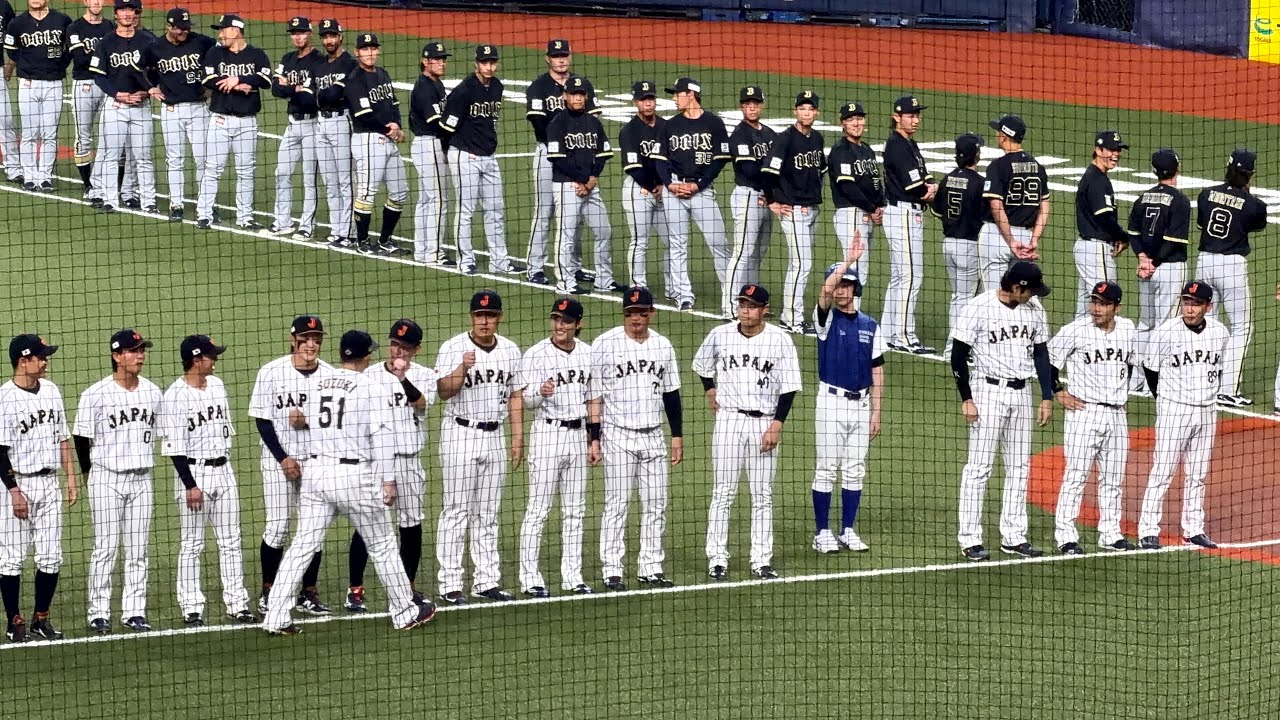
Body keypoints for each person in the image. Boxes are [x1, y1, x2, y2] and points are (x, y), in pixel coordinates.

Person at [262, 330, 436, 636]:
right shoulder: (371, 387)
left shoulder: (316, 383)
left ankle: (275, 616)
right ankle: (405, 611)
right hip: (354, 476)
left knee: (302, 545)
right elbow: (382, 438)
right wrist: (388, 481)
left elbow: (305, 420)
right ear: (365, 355)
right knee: (382, 544)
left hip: (316, 473)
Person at [949, 261, 1055, 561]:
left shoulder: (1034, 309)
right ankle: (970, 538)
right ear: (1017, 287)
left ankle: (1014, 536)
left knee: (1019, 468)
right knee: (979, 468)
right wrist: (966, 398)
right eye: (1031, 290)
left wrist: (1046, 396)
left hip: (1022, 394)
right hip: (988, 392)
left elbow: (1041, 352)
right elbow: (958, 356)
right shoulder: (978, 307)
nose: (1034, 295)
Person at [694, 284, 801, 579]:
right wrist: (710, 389)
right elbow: (702, 365)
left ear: (764, 309)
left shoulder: (780, 340)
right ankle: (717, 558)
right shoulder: (721, 334)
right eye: (742, 303)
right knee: (723, 492)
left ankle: (761, 559)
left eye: (752, 305)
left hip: (763, 422)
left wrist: (777, 425)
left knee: (762, 494)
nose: (745, 309)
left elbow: (790, 387)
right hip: (728, 421)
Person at [434, 290, 524, 604]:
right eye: (479, 315)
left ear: (499, 317)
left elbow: (515, 395)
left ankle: (486, 581)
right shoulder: (453, 347)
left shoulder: (511, 350)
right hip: (460, 431)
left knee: (488, 512)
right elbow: (443, 392)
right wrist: (462, 368)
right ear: (472, 317)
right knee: (457, 510)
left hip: (495, 435)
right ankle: (450, 584)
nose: (484, 321)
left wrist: (517, 437)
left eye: (490, 315)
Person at [590, 287, 683, 589]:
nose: (635, 318)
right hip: (617, 435)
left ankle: (651, 567)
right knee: (617, 503)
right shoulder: (605, 344)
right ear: (624, 314)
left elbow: (672, 394)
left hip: (654, 435)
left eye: (641, 312)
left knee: (657, 503)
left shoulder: (663, 346)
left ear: (651, 314)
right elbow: (594, 395)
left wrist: (677, 435)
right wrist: (594, 436)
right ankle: (612, 569)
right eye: (630, 313)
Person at [160, 335, 255, 626]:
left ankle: (237, 604)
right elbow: (175, 448)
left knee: (231, 542)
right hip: (194, 472)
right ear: (196, 359)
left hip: (224, 471)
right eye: (211, 356)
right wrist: (190, 485)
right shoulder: (174, 396)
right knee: (192, 544)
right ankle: (191, 606)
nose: (216, 360)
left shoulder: (218, 386)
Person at [346, 319, 437, 611]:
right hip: (375, 463)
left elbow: (422, 404)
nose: (398, 351)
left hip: (409, 463)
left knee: (410, 526)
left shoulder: (424, 375)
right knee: (367, 524)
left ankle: (407, 588)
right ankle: (355, 589)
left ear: (416, 349)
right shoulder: (369, 375)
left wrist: (401, 379)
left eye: (405, 347)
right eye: (394, 344)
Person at [74, 329, 162, 633]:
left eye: (142, 350)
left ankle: (134, 611)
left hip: (141, 480)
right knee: (106, 547)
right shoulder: (95, 394)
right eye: (134, 350)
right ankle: (98, 612)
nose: (140, 355)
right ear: (116, 356)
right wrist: (87, 476)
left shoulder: (153, 392)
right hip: (105, 478)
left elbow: (160, 433)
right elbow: (81, 438)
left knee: (138, 549)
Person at [248, 315, 332, 616]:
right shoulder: (271, 372)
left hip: (316, 462)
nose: (311, 344)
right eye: (305, 338)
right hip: (277, 462)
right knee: (279, 528)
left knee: (314, 529)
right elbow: (262, 420)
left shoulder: (331, 376)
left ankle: (308, 592)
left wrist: (307, 421)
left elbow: (335, 423)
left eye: (316, 338)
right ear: (292, 339)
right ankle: (269, 590)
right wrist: (283, 457)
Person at [1138, 281, 1229, 550]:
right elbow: (1150, 368)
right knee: (1163, 471)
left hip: (1207, 411)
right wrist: (1165, 401)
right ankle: (1148, 530)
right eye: (1186, 302)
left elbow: (1216, 369)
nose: (1189, 309)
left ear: (1208, 307)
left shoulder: (1219, 332)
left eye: (1195, 303)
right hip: (1174, 410)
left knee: (1198, 474)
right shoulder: (1166, 332)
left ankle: (1194, 529)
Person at [1047, 281, 1137, 554]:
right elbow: (1046, 360)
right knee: (1076, 475)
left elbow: (1130, 366)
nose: (1096, 309)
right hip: (1083, 412)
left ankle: (1110, 533)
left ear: (1116, 307)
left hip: (1117, 415)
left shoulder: (1128, 329)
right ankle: (1065, 536)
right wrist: (1057, 391)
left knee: (1113, 477)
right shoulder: (1075, 330)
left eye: (1103, 304)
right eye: (1094, 302)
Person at [516, 298, 596, 597]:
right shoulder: (536, 353)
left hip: (577, 436)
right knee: (538, 509)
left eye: (566, 321)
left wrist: (594, 437)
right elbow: (525, 401)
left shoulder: (589, 354)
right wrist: (539, 391)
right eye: (556, 319)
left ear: (578, 324)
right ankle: (530, 578)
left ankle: (572, 576)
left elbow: (594, 398)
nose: (560, 326)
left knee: (575, 511)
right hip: (547, 435)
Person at [0, 334, 77, 642]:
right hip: (15, 484)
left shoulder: (51, 391)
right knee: (11, 557)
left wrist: (70, 476)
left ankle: (40, 619)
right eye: (41, 357)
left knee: (51, 556)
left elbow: (62, 437)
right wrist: (14, 490)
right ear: (23, 360)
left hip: (49, 483)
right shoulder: (5, 398)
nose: (46, 361)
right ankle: (14, 621)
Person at [809, 246, 884, 554]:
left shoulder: (870, 325)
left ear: (855, 289)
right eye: (838, 284)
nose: (840, 290)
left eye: (846, 285)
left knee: (855, 469)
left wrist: (877, 412)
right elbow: (824, 292)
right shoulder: (824, 320)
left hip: (862, 404)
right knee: (826, 468)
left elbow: (877, 370)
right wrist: (849, 260)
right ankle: (822, 532)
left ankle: (848, 529)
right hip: (830, 402)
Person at [1193, 149, 1268, 407]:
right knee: (1241, 327)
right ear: (1250, 175)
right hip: (1232, 265)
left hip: (1204, 262)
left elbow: (1203, 222)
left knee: (1206, 324)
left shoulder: (1206, 194)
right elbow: (1254, 225)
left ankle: (1203, 384)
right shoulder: (1255, 205)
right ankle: (1227, 390)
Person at [653, 76, 730, 311]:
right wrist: (669, 184)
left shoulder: (714, 123)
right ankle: (683, 294)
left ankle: (731, 293)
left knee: (719, 243)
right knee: (677, 244)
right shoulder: (669, 125)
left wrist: (700, 184)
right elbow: (659, 159)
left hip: (702, 191)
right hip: (674, 190)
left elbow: (720, 159)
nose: (675, 98)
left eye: (678, 94)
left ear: (691, 94)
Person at [525, 39, 597, 286]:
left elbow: (592, 122)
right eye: (556, 56)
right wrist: (560, 143)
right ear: (548, 58)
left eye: (564, 54)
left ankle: (573, 267)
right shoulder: (538, 87)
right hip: (548, 154)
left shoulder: (582, 85)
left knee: (574, 214)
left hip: (578, 158)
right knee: (545, 211)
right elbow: (537, 122)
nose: (561, 59)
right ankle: (534, 267)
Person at [440, 45, 515, 275]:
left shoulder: (497, 87)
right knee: (466, 209)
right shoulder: (464, 91)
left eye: (492, 62)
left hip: (489, 155)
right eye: (485, 63)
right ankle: (466, 260)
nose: (489, 67)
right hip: (465, 155)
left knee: (496, 209)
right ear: (476, 64)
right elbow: (446, 127)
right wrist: (455, 152)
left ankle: (500, 262)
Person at [195, 13, 271, 231]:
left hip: (247, 122)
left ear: (236, 30)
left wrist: (239, 78)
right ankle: (204, 214)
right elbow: (207, 78)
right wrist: (238, 87)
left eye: (223, 29)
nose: (220, 34)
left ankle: (245, 217)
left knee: (246, 171)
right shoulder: (214, 53)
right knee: (213, 169)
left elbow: (266, 79)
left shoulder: (257, 54)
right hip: (220, 120)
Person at [141, 7, 215, 222]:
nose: (184, 32)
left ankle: (206, 206)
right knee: (175, 160)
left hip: (199, 108)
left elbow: (221, 56)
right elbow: (140, 69)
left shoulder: (201, 42)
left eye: (186, 27)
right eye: (179, 28)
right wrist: (150, 88)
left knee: (203, 159)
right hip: (171, 110)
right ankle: (176, 204)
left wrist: (211, 86)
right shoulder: (155, 47)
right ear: (169, 27)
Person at [546, 74, 617, 295]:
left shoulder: (593, 122)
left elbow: (603, 154)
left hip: (590, 186)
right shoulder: (557, 123)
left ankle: (604, 280)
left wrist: (592, 178)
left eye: (581, 94)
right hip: (567, 185)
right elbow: (557, 158)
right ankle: (565, 281)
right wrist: (581, 180)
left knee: (604, 230)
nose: (577, 98)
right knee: (566, 235)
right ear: (565, 96)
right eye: (573, 94)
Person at [762, 91, 826, 335]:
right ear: (795, 111)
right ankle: (791, 318)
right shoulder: (785, 139)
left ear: (816, 113)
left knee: (800, 264)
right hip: (793, 211)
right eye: (802, 108)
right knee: (801, 264)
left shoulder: (817, 139)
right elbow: (768, 172)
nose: (806, 113)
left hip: (812, 210)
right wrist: (772, 201)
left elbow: (820, 170)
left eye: (810, 109)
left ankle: (793, 315)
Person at [1127, 148, 1190, 396]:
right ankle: (1158, 380)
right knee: (1166, 326)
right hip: (1169, 269)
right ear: (1177, 168)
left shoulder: (1143, 197)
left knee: (1145, 324)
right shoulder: (1180, 200)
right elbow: (1174, 240)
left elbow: (1133, 233)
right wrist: (1155, 262)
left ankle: (1137, 381)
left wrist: (1143, 259)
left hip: (1146, 271)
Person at [88, 0, 158, 214]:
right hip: (115, 106)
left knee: (143, 156)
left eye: (131, 10)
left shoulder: (149, 41)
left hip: (142, 105)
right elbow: (98, 75)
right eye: (123, 10)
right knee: (111, 154)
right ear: (116, 14)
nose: (128, 14)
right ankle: (110, 199)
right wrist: (118, 94)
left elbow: (158, 72)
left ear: (136, 13)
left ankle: (148, 201)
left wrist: (146, 91)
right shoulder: (106, 42)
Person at [880, 96, 937, 353]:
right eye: (910, 115)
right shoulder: (896, 145)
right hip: (902, 213)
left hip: (907, 214)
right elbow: (914, 186)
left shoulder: (909, 143)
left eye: (917, 115)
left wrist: (932, 185)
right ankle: (904, 336)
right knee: (911, 276)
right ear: (897, 116)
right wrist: (931, 189)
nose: (915, 119)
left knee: (901, 275)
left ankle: (890, 331)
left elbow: (925, 175)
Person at [345, 32, 408, 256]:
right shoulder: (355, 80)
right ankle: (362, 242)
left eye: (373, 48)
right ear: (357, 52)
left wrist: (398, 127)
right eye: (365, 49)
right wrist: (388, 129)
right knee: (367, 192)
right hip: (368, 139)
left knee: (400, 192)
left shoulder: (383, 74)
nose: (370, 53)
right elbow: (363, 115)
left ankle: (384, 240)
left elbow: (394, 104)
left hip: (388, 140)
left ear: (378, 50)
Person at [4, 0, 72, 192]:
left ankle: (45, 177)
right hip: (28, 83)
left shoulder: (62, 20)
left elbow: (69, 50)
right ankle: (30, 176)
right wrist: (27, 65)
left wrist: (58, 66)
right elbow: (12, 50)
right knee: (29, 133)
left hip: (54, 83)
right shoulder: (16, 23)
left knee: (49, 133)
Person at [979, 114, 1050, 292]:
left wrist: (1010, 240)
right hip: (1026, 240)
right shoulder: (1037, 167)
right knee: (1021, 296)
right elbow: (1045, 207)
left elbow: (996, 206)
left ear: (1004, 136)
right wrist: (1034, 239)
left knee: (994, 297)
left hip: (998, 236)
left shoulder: (998, 166)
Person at [931, 133, 985, 355]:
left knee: (961, 295)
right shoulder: (980, 183)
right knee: (965, 298)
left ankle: (967, 346)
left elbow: (936, 210)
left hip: (948, 244)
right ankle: (954, 348)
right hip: (969, 246)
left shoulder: (947, 178)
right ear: (977, 155)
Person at [723, 85, 775, 318]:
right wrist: (772, 191)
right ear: (741, 106)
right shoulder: (739, 134)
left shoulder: (770, 134)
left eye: (755, 103)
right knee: (742, 251)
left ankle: (751, 302)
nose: (751, 107)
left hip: (767, 199)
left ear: (762, 105)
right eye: (747, 103)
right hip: (748, 196)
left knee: (758, 252)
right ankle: (729, 304)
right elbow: (751, 169)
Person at [269, 16, 320, 239]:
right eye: (293, 33)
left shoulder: (319, 60)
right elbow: (275, 89)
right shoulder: (287, 58)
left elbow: (311, 98)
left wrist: (291, 87)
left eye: (301, 32)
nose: (297, 36)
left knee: (309, 178)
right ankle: (283, 222)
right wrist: (296, 88)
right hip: (292, 125)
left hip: (313, 125)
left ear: (309, 33)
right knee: (281, 173)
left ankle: (307, 226)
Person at [1073, 130, 1132, 317]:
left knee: (1085, 308)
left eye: (1118, 149)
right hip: (1096, 250)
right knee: (1106, 301)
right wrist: (1124, 237)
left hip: (1087, 249)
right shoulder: (1097, 180)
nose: (1116, 154)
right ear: (1098, 150)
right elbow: (1105, 218)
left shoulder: (1094, 176)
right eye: (1111, 149)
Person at [617, 80, 669, 293]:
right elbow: (633, 167)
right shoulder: (629, 131)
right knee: (640, 240)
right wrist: (653, 186)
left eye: (650, 99)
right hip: (638, 189)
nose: (648, 104)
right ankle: (638, 286)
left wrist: (663, 185)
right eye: (643, 100)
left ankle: (672, 285)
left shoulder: (666, 126)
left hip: (662, 191)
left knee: (672, 241)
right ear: (635, 102)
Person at [827, 101, 884, 288]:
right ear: (842, 123)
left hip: (866, 214)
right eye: (850, 119)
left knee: (860, 270)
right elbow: (847, 187)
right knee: (855, 271)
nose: (856, 123)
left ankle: (841, 313)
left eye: (859, 118)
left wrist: (880, 206)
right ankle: (835, 314)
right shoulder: (840, 150)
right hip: (850, 213)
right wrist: (873, 207)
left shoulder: (866, 150)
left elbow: (875, 182)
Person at [312, 18, 356, 247]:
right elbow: (316, 96)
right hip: (322, 123)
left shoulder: (349, 62)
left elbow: (332, 96)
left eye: (332, 36)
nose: (329, 40)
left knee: (345, 179)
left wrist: (322, 95)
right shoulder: (320, 64)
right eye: (325, 36)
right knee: (330, 180)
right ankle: (336, 228)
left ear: (340, 36)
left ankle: (349, 232)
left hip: (341, 122)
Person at [409, 41, 452, 266]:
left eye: (443, 59)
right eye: (438, 59)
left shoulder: (437, 85)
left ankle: (422, 250)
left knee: (426, 199)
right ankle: (434, 252)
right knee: (437, 200)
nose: (442, 62)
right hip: (429, 144)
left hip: (429, 145)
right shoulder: (424, 88)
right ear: (425, 61)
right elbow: (438, 124)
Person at [67, 0, 113, 201]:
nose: (96, 2)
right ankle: (88, 184)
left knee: (109, 136)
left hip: (108, 86)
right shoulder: (74, 27)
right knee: (83, 135)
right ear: (85, 2)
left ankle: (107, 182)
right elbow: (80, 58)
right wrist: (105, 59)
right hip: (84, 84)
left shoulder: (111, 26)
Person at [0, 0, 20, 184]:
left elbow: (15, 35)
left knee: (5, 120)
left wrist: (10, 64)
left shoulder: (3, 5)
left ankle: (13, 167)